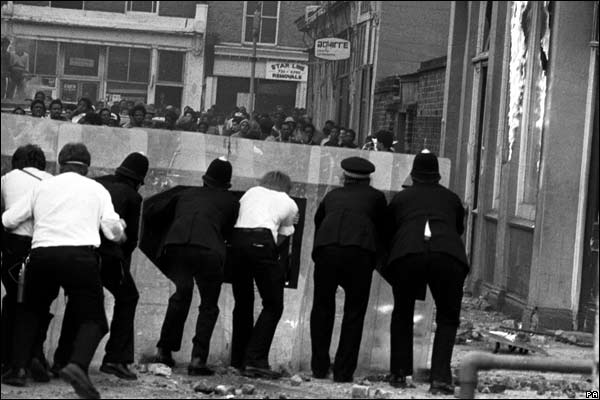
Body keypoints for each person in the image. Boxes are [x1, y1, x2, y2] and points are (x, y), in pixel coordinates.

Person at [1, 143, 125, 399]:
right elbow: (112, 232)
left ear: (59, 164)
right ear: (87, 168)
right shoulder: (97, 189)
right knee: (94, 319)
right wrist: (121, 228)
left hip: (41, 254)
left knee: (29, 311)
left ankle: (18, 370)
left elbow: (9, 220)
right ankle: (77, 365)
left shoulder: (42, 187)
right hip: (81, 257)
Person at [52, 153, 149, 381]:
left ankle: (61, 361)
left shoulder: (96, 183)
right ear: (138, 180)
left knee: (77, 302)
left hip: (80, 251)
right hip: (108, 255)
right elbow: (131, 240)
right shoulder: (132, 196)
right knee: (128, 297)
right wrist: (121, 264)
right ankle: (115, 359)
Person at [384, 150, 468, 394]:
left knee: (402, 312)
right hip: (448, 257)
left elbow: (389, 229)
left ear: (413, 175)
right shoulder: (452, 199)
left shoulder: (402, 199)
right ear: (438, 176)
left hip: (408, 256)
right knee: (447, 317)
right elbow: (458, 229)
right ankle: (440, 378)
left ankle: (399, 372)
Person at [150, 158, 239, 375]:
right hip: (209, 251)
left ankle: (164, 351)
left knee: (181, 295)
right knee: (208, 305)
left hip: (176, 247)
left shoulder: (185, 194)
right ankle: (198, 359)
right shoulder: (231, 201)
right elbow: (229, 231)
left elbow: (155, 211)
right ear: (227, 184)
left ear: (204, 179)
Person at [310, 157, 387, 383]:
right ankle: (343, 371)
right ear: (368, 179)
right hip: (359, 253)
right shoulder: (376, 197)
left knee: (322, 307)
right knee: (354, 311)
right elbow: (384, 227)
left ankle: (319, 367)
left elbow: (319, 220)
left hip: (327, 250)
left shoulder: (332, 195)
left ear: (344, 177)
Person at [230, 171, 298, 379]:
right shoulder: (289, 202)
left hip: (237, 243)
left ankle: (238, 359)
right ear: (286, 186)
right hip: (262, 240)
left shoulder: (250, 193)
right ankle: (256, 359)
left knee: (243, 302)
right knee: (273, 304)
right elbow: (283, 236)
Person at [1, 145, 54, 381]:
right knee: (40, 303)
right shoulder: (54, 181)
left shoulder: (7, 179)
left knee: (14, 300)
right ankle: (36, 354)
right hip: (47, 247)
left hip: (16, 247)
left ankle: (10, 360)